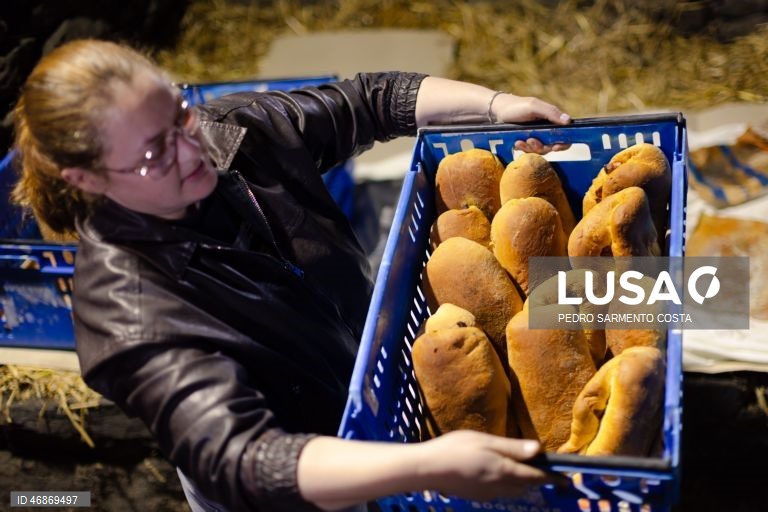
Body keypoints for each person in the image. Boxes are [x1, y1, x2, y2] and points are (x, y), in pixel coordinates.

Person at [12, 39, 572, 512]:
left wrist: (496, 105)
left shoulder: (230, 133)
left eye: (179, 114)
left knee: (635, 298)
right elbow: (245, 458)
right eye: (155, 153)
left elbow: (371, 100)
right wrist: (422, 466)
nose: (192, 150)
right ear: (85, 179)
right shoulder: (127, 316)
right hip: (300, 478)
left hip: (369, 376)